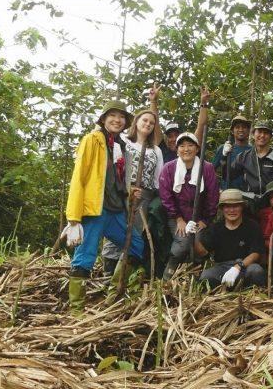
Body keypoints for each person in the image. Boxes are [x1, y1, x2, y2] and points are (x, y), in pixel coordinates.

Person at [61, 99, 144, 316]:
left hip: (117, 210)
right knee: (85, 257)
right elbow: (79, 176)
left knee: (136, 246)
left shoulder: (121, 146)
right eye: (112, 116)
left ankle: (113, 297)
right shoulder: (92, 140)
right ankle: (77, 312)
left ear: (126, 123)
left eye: (121, 117)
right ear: (104, 119)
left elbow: (118, 180)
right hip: (95, 210)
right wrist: (73, 218)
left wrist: (129, 194)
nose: (117, 120)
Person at [101, 104, 166, 277]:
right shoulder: (123, 142)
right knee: (115, 230)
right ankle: (108, 273)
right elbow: (113, 169)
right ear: (136, 122)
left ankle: (121, 276)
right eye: (145, 120)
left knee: (133, 233)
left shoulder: (156, 150)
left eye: (152, 123)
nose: (148, 124)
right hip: (120, 193)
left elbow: (157, 179)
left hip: (143, 195)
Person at [158, 128, 220, 280]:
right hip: (178, 217)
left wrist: (205, 220)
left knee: (199, 245)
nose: (186, 149)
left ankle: (197, 278)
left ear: (197, 148)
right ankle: (167, 277)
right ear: (177, 149)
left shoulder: (207, 168)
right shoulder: (169, 168)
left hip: (200, 217)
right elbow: (166, 196)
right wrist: (178, 219)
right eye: (182, 146)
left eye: (190, 145)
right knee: (183, 244)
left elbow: (212, 196)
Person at [195, 189, 266, 290]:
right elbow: (203, 252)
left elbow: (255, 253)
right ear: (222, 209)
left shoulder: (252, 226)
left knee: (256, 271)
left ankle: (251, 294)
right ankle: (222, 293)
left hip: (245, 266)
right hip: (222, 268)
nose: (231, 210)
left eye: (235, 206)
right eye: (227, 206)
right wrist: (192, 237)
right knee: (206, 276)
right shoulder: (216, 228)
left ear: (242, 207)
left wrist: (238, 267)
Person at [231, 121, 273, 208]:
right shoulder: (243, 157)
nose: (262, 135)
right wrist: (224, 157)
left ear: (270, 136)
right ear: (253, 134)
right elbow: (228, 175)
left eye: (266, 133)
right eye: (259, 132)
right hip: (249, 203)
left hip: (272, 203)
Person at [211, 113, 253, 189]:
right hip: (227, 194)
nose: (241, 130)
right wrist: (216, 188)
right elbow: (211, 170)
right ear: (232, 131)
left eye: (244, 127)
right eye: (237, 127)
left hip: (248, 194)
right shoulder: (224, 148)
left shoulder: (253, 150)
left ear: (248, 131)